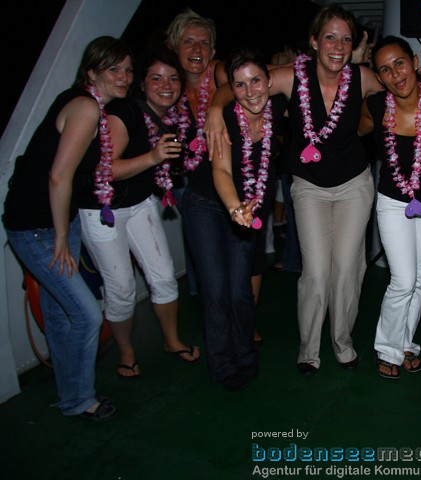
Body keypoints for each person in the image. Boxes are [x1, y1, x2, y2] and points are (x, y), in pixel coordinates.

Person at [207, 4, 384, 376]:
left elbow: (398, 94)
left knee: (347, 270)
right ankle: (309, 350)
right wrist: (214, 111)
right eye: (330, 37)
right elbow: (238, 83)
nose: (338, 46)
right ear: (314, 41)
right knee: (316, 272)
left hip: (354, 185)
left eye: (346, 39)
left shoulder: (363, 77)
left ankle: (343, 343)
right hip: (308, 186)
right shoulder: (291, 76)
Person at [2, 36, 132, 421]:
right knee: (87, 314)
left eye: (128, 70)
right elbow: (58, 177)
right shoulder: (85, 107)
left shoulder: (92, 107)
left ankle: (69, 392)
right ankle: (79, 399)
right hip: (36, 227)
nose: (124, 77)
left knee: (60, 312)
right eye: (114, 69)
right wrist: (60, 237)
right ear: (91, 72)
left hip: (61, 219)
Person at [77, 46, 201, 378]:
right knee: (121, 288)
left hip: (140, 202)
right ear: (142, 84)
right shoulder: (124, 111)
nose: (166, 85)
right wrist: (153, 158)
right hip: (102, 210)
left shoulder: (173, 117)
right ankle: (127, 353)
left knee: (164, 276)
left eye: (173, 78)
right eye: (156, 78)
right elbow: (105, 170)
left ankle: (171, 341)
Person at [359, 36, 421, 379]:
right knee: (403, 279)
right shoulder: (375, 107)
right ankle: (387, 349)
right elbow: (351, 133)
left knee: (420, 279)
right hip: (393, 203)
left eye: (399, 63)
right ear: (379, 78)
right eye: (385, 69)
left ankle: (405, 344)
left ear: (414, 62)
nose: (396, 74)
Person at [189, 48, 282, 392]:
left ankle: (245, 354)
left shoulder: (279, 107)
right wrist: (234, 208)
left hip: (248, 206)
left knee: (240, 289)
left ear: (269, 81)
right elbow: (221, 171)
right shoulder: (227, 118)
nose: (250, 91)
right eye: (239, 85)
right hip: (207, 205)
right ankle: (222, 363)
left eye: (256, 80)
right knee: (216, 290)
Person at [166, 8, 229, 298]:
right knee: (206, 264)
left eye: (204, 43)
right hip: (192, 185)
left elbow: (243, 80)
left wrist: (216, 106)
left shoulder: (218, 73)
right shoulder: (170, 87)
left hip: (232, 181)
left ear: (212, 51)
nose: (196, 50)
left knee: (236, 264)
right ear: (174, 48)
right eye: (188, 42)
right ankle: (202, 296)